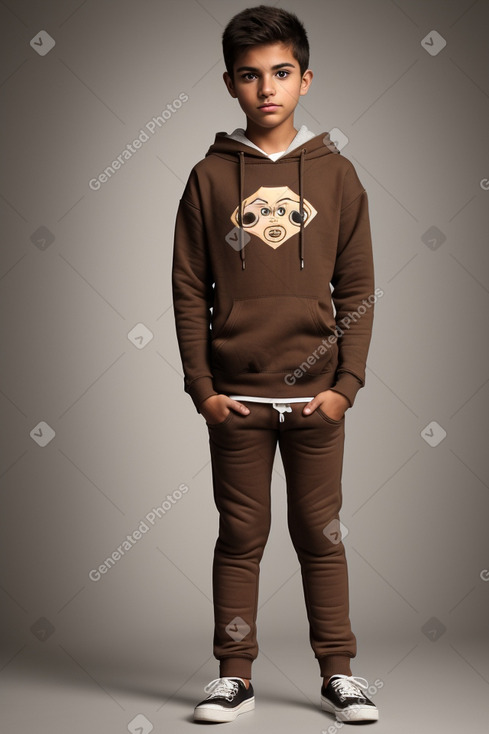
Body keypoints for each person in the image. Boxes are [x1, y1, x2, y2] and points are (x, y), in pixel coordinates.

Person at [172, 4, 379, 725]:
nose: (267, 88)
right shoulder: (206, 176)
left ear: (305, 79)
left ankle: (340, 674)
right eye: (250, 76)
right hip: (236, 398)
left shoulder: (338, 174)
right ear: (230, 84)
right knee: (240, 536)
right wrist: (203, 391)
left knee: (320, 536)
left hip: (315, 399)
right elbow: (187, 286)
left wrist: (344, 388)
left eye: (281, 73)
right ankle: (234, 675)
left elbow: (355, 288)